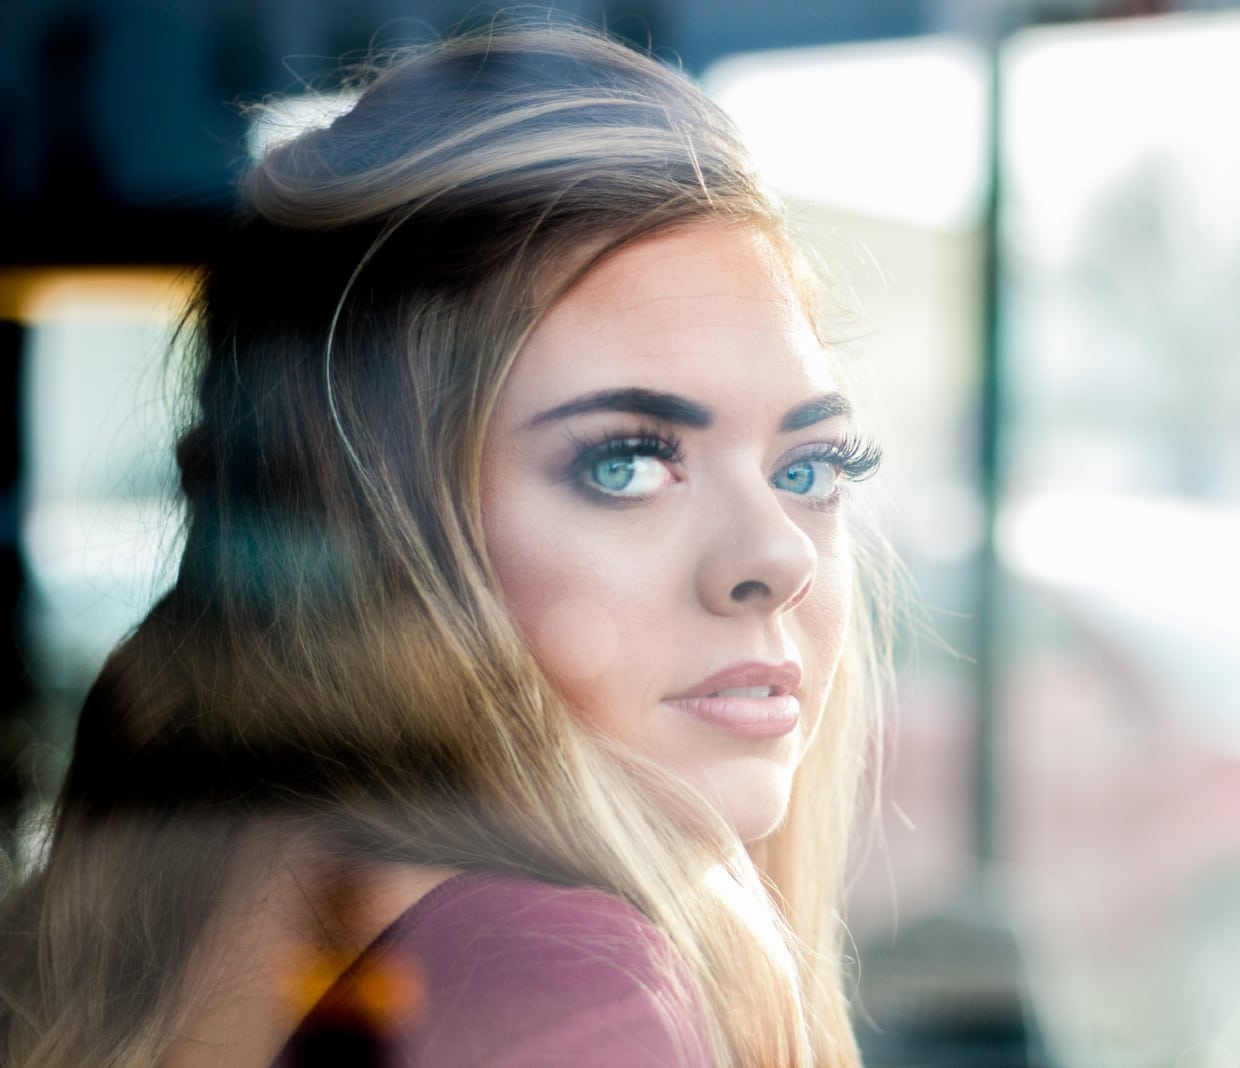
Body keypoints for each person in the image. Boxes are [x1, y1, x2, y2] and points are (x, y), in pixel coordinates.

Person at [0, 24, 893, 1068]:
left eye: (808, 470)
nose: (777, 560)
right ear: (377, 532)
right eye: (625, 464)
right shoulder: (558, 984)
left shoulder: (206, 903)